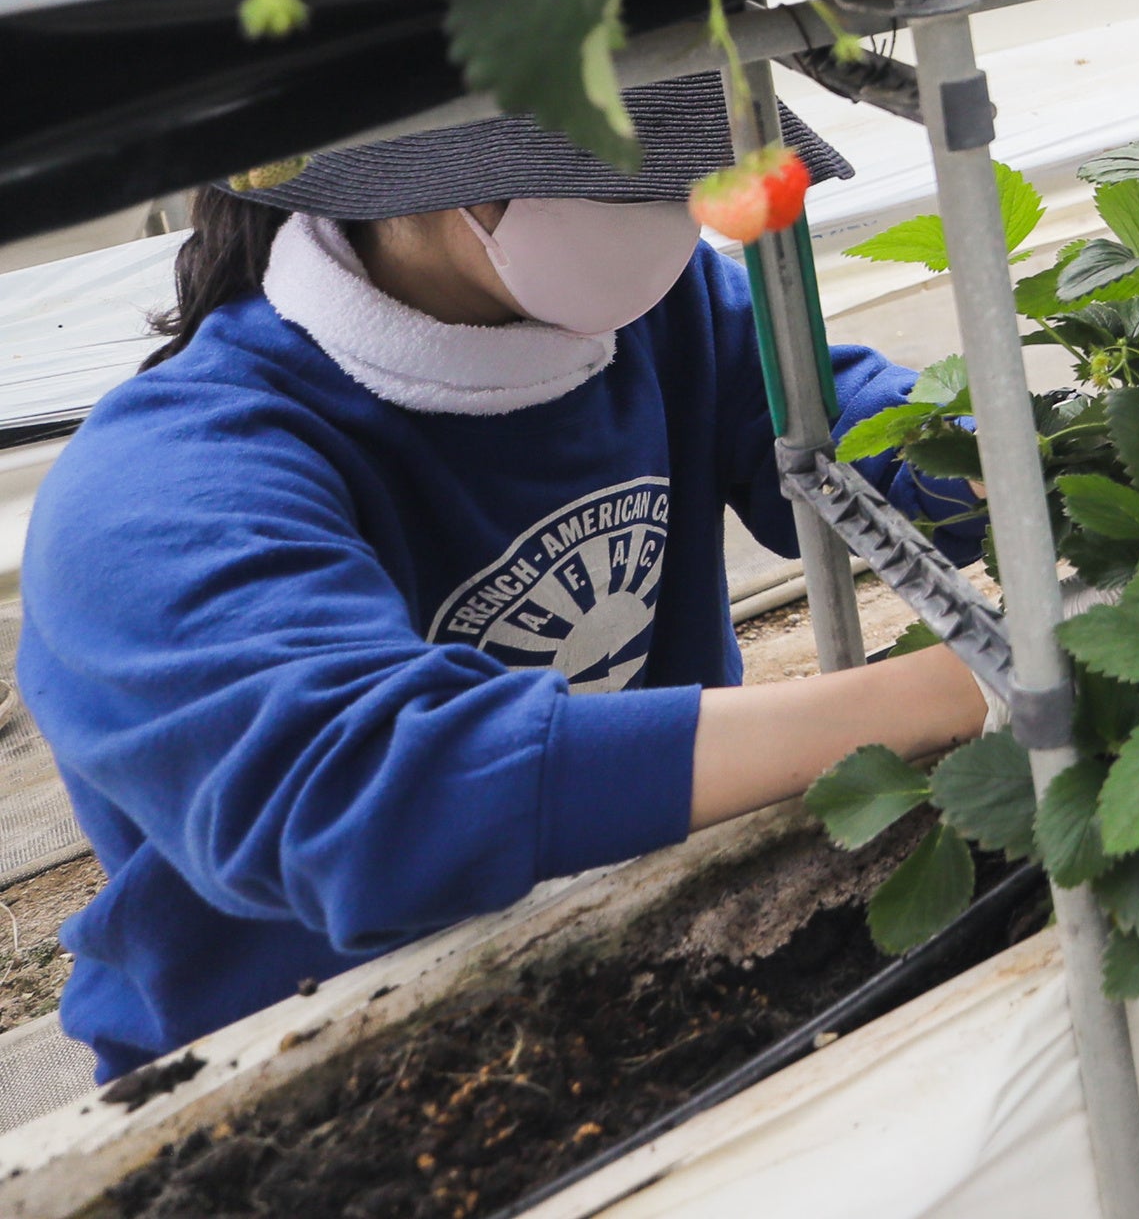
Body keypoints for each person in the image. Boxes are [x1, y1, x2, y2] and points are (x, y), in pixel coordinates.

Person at [20, 77, 990, 1079]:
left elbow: (866, 438)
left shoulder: (670, 312)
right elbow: (379, 792)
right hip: (312, 1061)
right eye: (619, 177)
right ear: (404, 181)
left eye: (684, 170)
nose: (676, 211)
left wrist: (1049, 450)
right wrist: (937, 692)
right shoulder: (158, 491)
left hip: (647, 953)